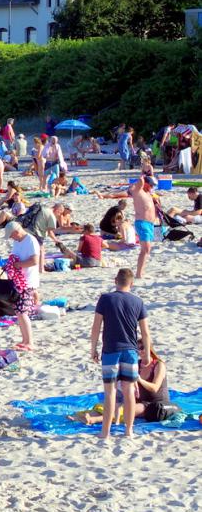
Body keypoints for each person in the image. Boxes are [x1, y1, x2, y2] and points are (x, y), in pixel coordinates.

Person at [89, 268, 152, 439]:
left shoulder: (105, 299)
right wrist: (146, 353)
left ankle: (105, 432)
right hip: (131, 351)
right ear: (131, 283)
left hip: (110, 350)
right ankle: (129, 430)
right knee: (129, 391)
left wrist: (93, 348)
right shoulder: (138, 302)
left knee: (110, 392)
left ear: (115, 280)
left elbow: (96, 327)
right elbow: (145, 332)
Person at [6, 220, 41, 351]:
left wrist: (16, 265)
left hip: (28, 282)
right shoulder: (17, 241)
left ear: (16, 231)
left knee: (23, 312)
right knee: (18, 312)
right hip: (18, 281)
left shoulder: (30, 240)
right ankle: (25, 340)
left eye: (11, 235)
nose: (11, 238)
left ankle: (30, 342)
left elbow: (34, 261)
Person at [129, 175, 159, 279]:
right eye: (150, 185)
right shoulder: (138, 191)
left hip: (150, 224)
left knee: (147, 250)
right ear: (145, 183)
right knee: (146, 249)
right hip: (142, 223)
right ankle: (138, 274)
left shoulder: (148, 193)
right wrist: (142, 178)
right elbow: (137, 185)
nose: (151, 187)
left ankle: (141, 272)